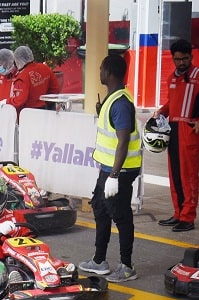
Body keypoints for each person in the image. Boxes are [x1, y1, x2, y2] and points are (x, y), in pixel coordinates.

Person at [79, 54, 142, 283]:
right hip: (108, 168)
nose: (99, 73)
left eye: (101, 69)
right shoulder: (113, 98)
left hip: (120, 171)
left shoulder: (121, 104)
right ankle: (99, 260)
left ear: (109, 73)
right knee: (100, 206)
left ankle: (126, 266)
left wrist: (114, 176)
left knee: (121, 215)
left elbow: (123, 141)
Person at [153, 40, 199, 232]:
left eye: (185, 58)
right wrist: (160, 112)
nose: (181, 62)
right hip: (173, 129)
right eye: (177, 59)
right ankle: (178, 214)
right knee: (175, 173)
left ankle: (188, 217)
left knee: (189, 175)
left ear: (191, 57)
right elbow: (172, 103)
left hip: (189, 129)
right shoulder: (172, 78)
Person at [6, 46, 53, 115]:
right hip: (44, 110)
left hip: (28, 113)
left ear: (18, 61)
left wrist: (6, 102)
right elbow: (55, 88)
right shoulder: (45, 68)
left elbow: (19, 101)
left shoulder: (22, 77)